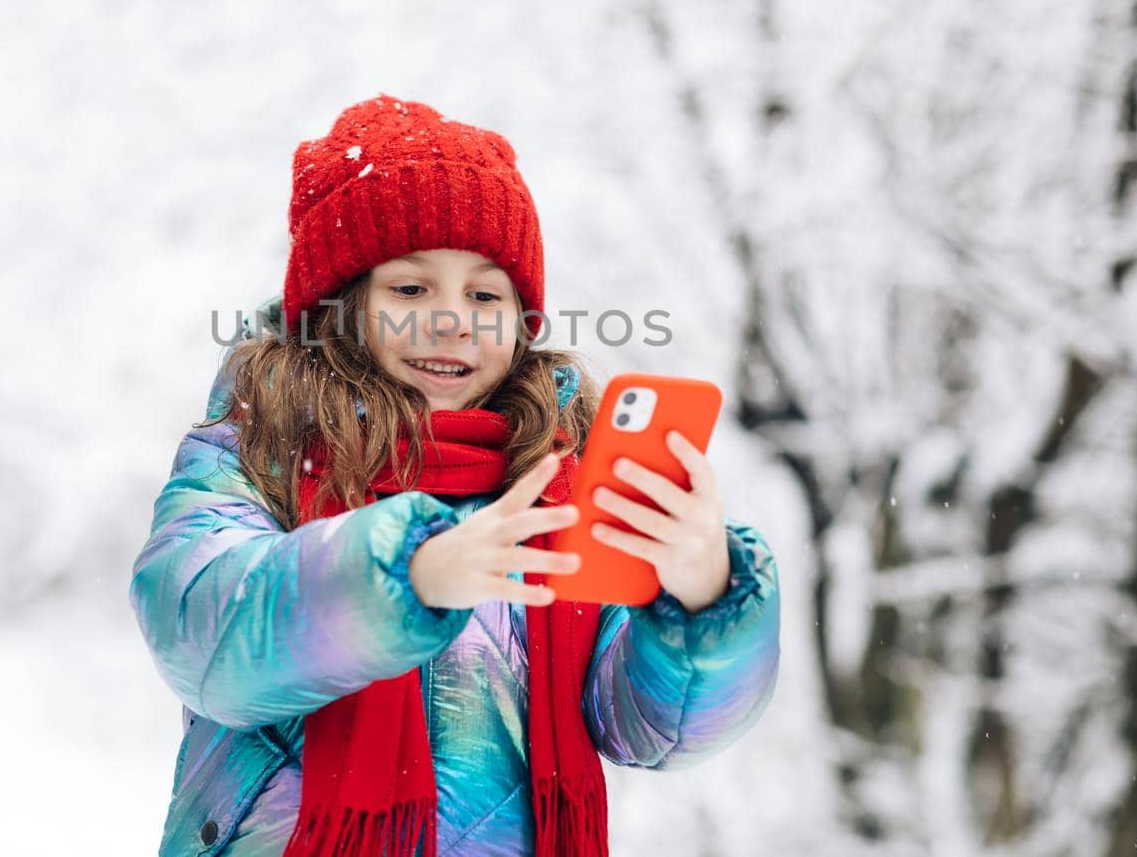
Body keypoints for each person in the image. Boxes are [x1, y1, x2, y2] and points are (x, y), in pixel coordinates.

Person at [129, 94, 780, 856]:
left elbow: (647, 730)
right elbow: (202, 635)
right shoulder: (258, 447)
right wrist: (405, 573)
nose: (451, 319)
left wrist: (703, 600)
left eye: (484, 293)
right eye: (410, 289)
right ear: (341, 308)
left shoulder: (555, 473)